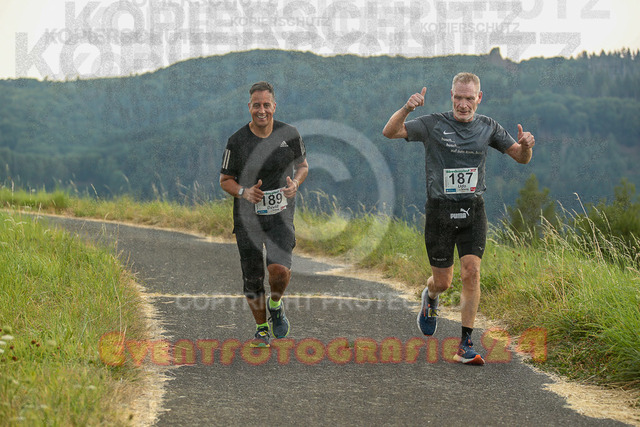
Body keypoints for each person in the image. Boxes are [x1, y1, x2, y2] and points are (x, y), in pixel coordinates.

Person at [382, 72, 535, 365]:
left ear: (479, 98)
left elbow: (520, 157)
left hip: (473, 210)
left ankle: (465, 343)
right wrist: (407, 108)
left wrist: (526, 145)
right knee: (443, 282)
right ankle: (430, 296)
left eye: (469, 98)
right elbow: (390, 132)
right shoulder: (433, 124)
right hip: (439, 212)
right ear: (451, 96)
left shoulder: (488, 127)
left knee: (471, 272)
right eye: (458, 98)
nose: (463, 104)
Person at [220, 81, 309, 347]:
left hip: (280, 214)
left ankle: (276, 304)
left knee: (279, 270)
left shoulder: (289, 134)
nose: (262, 110)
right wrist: (244, 192)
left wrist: (296, 183)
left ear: (274, 106)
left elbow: (303, 166)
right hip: (247, 218)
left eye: (266, 105)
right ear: (249, 107)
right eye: (256, 105)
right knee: (253, 277)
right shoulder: (237, 141)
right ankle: (261, 329)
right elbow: (225, 180)